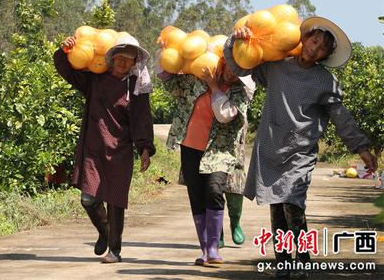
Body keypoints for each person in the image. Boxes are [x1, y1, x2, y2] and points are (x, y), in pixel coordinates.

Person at [224, 16, 378, 278]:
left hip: (300, 152)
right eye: (313, 40)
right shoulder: (275, 67)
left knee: (292, 204)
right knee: (277, 207)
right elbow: (240, 69)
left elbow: (341, 117)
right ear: (304, 38)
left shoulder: (324, 81)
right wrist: (234, 41)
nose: (314, 48)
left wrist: (361, 147)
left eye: (322, 47)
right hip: (271, 148)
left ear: (326, 55)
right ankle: (284, 264)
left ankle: (303, 261)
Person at [53, 33, 156, 263]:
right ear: (111, 58)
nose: (122, 62)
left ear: (133, 63)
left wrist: (145, 149)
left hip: (120, 151)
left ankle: (115, 250)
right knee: (88, 199)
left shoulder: (135, 87)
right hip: (94, 148)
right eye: (118, 57)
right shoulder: (94, 80)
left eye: (127, 59)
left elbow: (142, 119)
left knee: (116, 201)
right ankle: (104, 231)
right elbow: (66, 70)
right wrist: (64, 51)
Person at [158, 54, 255, 266]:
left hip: (220, 151)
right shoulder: (198, 77)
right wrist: (166, 54)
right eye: (229, 65)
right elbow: (170, 83)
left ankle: (213, 248)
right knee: (196, 195)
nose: (231, 71)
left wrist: (213, 86)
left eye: (238, 69)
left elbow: (225, 115)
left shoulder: (241, 92)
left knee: (213, 190)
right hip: (191, 147)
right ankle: (204, 250)